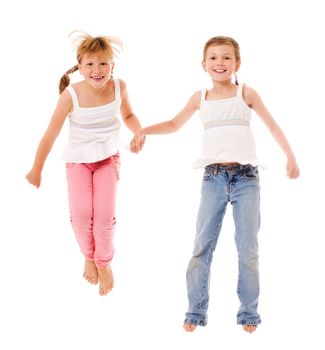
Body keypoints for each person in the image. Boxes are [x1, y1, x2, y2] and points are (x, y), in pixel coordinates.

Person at [131, 36, 300, 332]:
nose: (219, 63)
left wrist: (290, 156)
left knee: (248, 249)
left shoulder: (246, 93)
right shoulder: (200, 98)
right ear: (204, 64)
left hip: (246, 178)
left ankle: (249, 313)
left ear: (237, 64)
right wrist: (145, 129)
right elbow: (173, 124)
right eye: (213, 58)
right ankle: (195, 311)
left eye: (226, 58)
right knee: (202, 245)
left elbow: (272, 124)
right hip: (213, 179)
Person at [26, 32, 143, 296]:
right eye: (90, 64)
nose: (97, 70)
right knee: (81, 215)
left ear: (112, 66)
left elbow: (130, 115)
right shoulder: (70, 95)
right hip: (78, 161)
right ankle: (88, 255)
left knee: (103, 216)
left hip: (107, 158)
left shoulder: (119, 87)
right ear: (79, 67)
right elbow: (50, 134)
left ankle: (103, 262)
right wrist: (37, 168)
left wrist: (138, 132)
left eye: (103, 63)